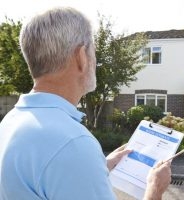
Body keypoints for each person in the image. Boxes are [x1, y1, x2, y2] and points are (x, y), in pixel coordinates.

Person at [0, 7, 171, 200]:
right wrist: (154, 190)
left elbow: (46, 174)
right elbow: (64, 157)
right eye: (94, 52)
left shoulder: (10, 121)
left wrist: (98, 166)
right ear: (81, 57)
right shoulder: (72, 144)